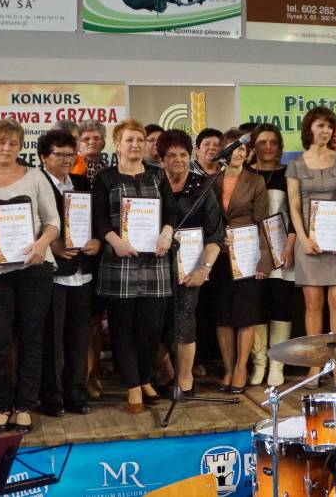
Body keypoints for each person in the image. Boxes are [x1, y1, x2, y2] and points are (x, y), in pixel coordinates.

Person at [0, 120, 59, 434]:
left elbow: (53, 222)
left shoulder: (35, 176)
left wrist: (41, 244)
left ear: (20, 147)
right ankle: (2, 406)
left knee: (32, 338)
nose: (6, 148)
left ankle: (25, 406)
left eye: (13, 143)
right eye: (0, 142)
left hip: (34, 269)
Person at [92, 119, 177, 413]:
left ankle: (144, 378)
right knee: (122, 327)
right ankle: (132, 385)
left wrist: (167, 234)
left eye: (140, 140)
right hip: (120, 259)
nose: (135, 145)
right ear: (117, 145)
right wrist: (115, 241)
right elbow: (99, 217)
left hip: (155, 260)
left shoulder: (158, 175)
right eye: (129, 140)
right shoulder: (105, 178)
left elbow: (171, 211)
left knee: (151, 328)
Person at [286, 107, 336, 390]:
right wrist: (302, 238)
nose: (325, 131)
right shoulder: (296, 164)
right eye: (320, 126)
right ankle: (315, 364)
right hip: (309, 244)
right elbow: (293, 205)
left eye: (329, 126)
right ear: (309, 129)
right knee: (312, 305)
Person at [38, 129, 101, 416]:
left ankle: (76, 392)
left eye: (70, 154)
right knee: (52, 338)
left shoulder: (82, 182)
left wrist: (97, 241)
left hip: (82, 270)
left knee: (79, 336)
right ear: (43, 157)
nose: (66, 160)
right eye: (59, 155)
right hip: (52, 272)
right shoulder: (36, 182)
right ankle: (52, 396)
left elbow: (95, 219)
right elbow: (29, 223)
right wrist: (51, 244)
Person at [157, 129, 223, 396]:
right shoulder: (152, 184)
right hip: (154, 267)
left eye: (183, 154)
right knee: (155, 322)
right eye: (171, 155)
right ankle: (166, 373)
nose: (178, 160)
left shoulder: (202, 186)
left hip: (190, 269)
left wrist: (203, 269)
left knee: (184, 321)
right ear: (161, 159)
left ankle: (185, 380)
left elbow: (215, 234)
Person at [210, 129, 272, 393]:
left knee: (245, 315)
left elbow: (263, 222)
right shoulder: (211, 180)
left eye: (242, 149)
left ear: (247, 154)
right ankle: (227, 368)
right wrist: (215, 237)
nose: (237, 152)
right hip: (218, 255)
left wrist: (264, 261)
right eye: (233, 147)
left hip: (247, 255)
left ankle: (240, 369)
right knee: (223, 315)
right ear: (224, 151)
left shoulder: (256, 181)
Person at [247, 123, 296, 387]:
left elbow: (296, 212)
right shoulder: (245, 173)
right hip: (250, 249)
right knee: (255, 306)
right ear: (253, 145)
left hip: (281, 248)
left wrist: (290, 246)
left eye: (273, 142)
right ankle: (259, 363)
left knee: (280, 304)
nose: (268, 147)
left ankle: (277, 364)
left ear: (279, 146)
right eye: (262, 142)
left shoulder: (289, 173)